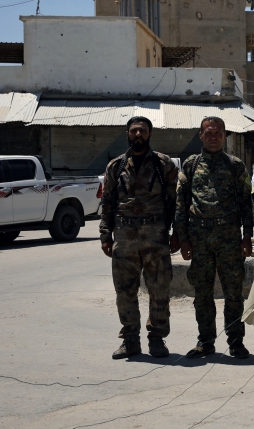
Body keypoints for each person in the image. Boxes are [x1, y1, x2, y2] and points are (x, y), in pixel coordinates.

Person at [99, 116, 180, 360]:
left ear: (150, 134)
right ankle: (130, 340)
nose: (138, 135)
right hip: (124, 237)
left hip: (155, 235)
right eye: (134, 131)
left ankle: (157, 339)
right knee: (124, 291)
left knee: (159, 289)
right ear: (127, 133)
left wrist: (178, 233)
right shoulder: (115, 166)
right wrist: (105, 234)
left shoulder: (163, 164)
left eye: (142, 131)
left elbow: (175, 202)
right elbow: (108, 201)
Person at [174, 116, 254, 359]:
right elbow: (181, 204)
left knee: (233, 293)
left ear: (224, 135)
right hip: (199, 240)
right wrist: (183, 238)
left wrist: (247, 236)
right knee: (202, 293)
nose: (213, 136)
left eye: (217, 133)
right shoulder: (190, 164)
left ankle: (235, 342)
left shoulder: (235, 165)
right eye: (208, 132)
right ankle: (205, 341)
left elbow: (246, 204)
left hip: (229, 238)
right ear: (200, 135)